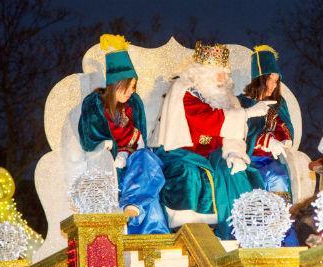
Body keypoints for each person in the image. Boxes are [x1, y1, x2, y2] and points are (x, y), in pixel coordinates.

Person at [149, 41, 268, 239]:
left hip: (212, 153)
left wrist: (234, 152)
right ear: (202, 72)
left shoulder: (227, 97)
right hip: (181, 151)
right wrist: (246, 113)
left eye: (225, 72)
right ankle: (193, 232)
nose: (223, 78)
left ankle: (249, 231)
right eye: (217, 72)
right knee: (190, 173)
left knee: (233, 171)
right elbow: (204, 120)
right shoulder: (184, 90)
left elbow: (234, 133)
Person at [78, 34, 168, 234]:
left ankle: (132, 205)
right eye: (129, 86)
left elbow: (141, 137)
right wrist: (110, 148)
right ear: (117, 82)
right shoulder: (95, 102)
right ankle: (152, 233)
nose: (132, 91)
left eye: (134, 86)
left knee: (147, 160)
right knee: (149, 193)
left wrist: (134, 152)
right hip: (110, 163)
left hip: (136, 158)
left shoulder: (134, 103)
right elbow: (89, 137)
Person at [237, 45, 294, 202]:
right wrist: (266, 141)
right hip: (246, 159)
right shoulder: (241, 102)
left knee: (279, 177)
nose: (274, 85)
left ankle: (279, 222)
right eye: (270, 79)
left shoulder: (278, 104)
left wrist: (284, 139)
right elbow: (240, 131)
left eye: (276, 81)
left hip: (269, 161)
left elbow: (284, 126)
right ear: (260, 79)